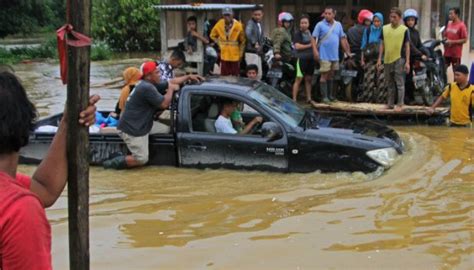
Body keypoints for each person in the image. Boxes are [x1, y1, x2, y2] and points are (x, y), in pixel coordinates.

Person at [0, 71, 98, 269]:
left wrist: (67, 123)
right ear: (24, 121)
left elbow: (45, 189)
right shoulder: (18, 210)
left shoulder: (12, 193)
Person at [103, 62, 203, 169]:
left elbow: (171, 81)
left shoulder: (149, 83)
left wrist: (188, 76)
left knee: (167, 130)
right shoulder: (146, 88)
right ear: (149, 76)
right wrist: (171, 90)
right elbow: (164, 104)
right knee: (141, 159)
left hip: (143, 123)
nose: (160, 74)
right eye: (157, 72)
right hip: (133, 128)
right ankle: (112, 163)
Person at [312, 7, 353, 103]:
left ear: (334, 14)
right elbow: (313, 38)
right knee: (324, 76)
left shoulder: (338, 25)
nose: (327, 15)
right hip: (324, 55)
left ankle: (331, 96)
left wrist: (347, 52)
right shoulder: (320, 25)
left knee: (331, 75)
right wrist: (315, 51)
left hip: (334, 55)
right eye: (325, 13)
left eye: (329, 13)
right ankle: (324, 97)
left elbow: (342, 39)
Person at [377, 7, 411, 111]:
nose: (392, 19)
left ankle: (400, 104)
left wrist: (407, 62)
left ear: (400, 18)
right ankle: (390, 104)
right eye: (391, 17)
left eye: (395, 17)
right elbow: (381, 44)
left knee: (399, 83)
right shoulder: (384, 28)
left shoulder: (404, 30)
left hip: (399, 58)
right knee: (389, 83)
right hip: (387, 58)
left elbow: (407, 46)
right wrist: (379, 59)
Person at [210, 7, 246, 76]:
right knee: (224, 76)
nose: (227, 17)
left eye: (228, 15)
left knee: (235, 76)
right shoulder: (219, 23)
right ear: (222, 15)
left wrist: (241, 54)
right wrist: (219, 43)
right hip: (224, 55)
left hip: (234, 55)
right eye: (225, 15)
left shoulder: (238, 25)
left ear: (232, 15)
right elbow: (212, 35)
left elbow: (243, 41)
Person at [403, 8, 429, 104]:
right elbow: (410, 46)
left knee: (414, 78)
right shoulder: (405, 31)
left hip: (414, 58)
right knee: (408, 79)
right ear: (405, 21)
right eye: (408, 20)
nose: (410, 22)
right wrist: (420, 54)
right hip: (406, 58)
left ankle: (412, 97)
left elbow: (419, 45)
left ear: (415, 21)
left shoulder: (416, 32)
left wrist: (426, 52)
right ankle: (408, 99)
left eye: (412, 20)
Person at [292, 14, 316, 103]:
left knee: (309, 79)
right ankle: (294, 99)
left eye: (305, 23)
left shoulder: (311, 33)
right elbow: (297, 46)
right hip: (301, 59)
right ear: (299, 24)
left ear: (308, 24)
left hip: (311, 59)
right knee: (298, 79)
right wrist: (310, 45)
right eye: (302, 23)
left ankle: (308, 98)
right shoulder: (297, 34)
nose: (303, 24)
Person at [443, 7, 468, 76]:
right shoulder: (449, 24)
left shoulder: (461, 26)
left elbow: (465, 39)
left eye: (451, 14)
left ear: (457, 14)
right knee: (442, 69)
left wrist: (452, 42)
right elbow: (445, 35)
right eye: (449, 14)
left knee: (456, 72)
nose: (449, 15)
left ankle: (456, 86)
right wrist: (444, 40)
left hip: (456, 54)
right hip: (447, 53)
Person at [245, 5, 265, 80]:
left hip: (257, 53)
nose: (257, 17)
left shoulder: (259, 24)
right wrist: (254, 42)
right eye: (255, 15)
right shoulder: (251, 23)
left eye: (259, 15)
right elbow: (247, 33)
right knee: (252, 75)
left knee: (259, 74)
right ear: (252, 15)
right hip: (251, 52)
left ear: (262, 14)